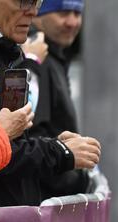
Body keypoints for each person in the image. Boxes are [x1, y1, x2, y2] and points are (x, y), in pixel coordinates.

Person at [0, 0, 99, 207]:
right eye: (24, 1)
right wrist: (60, 153)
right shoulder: (34, 60)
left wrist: (57, 146)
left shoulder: (11, 51)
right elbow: (8, 149)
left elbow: (17, 145)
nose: (33, 11)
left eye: (38, 2)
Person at [26, 0, 86, 196]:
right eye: (62, 13)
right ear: (36, 13)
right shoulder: (38, 59)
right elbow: (32, 136)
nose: (72, 22)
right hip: (43, 204)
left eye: (77, 14)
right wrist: (80, 180)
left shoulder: (53, 57)